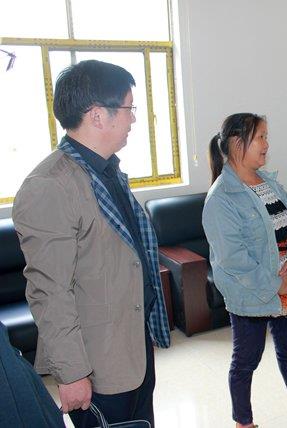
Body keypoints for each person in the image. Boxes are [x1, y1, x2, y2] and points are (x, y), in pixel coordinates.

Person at [12, 60, 171, 428]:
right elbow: (49, 292)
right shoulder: (50, 185)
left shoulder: (106, 171)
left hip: (132, 348)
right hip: (97, 365)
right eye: (129, 108)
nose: (134, 119)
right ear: (98, 115)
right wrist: (71, 374)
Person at [202, 113, 287, 428]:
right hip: (251, 290)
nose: (266, 144)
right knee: (246, 359)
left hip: (285, 281)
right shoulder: (221, 198)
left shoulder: (268, 182)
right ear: (237, 143)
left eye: (265, 136)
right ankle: (243, 423)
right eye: (260, 137)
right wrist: (276, 283)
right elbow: (233, 259)